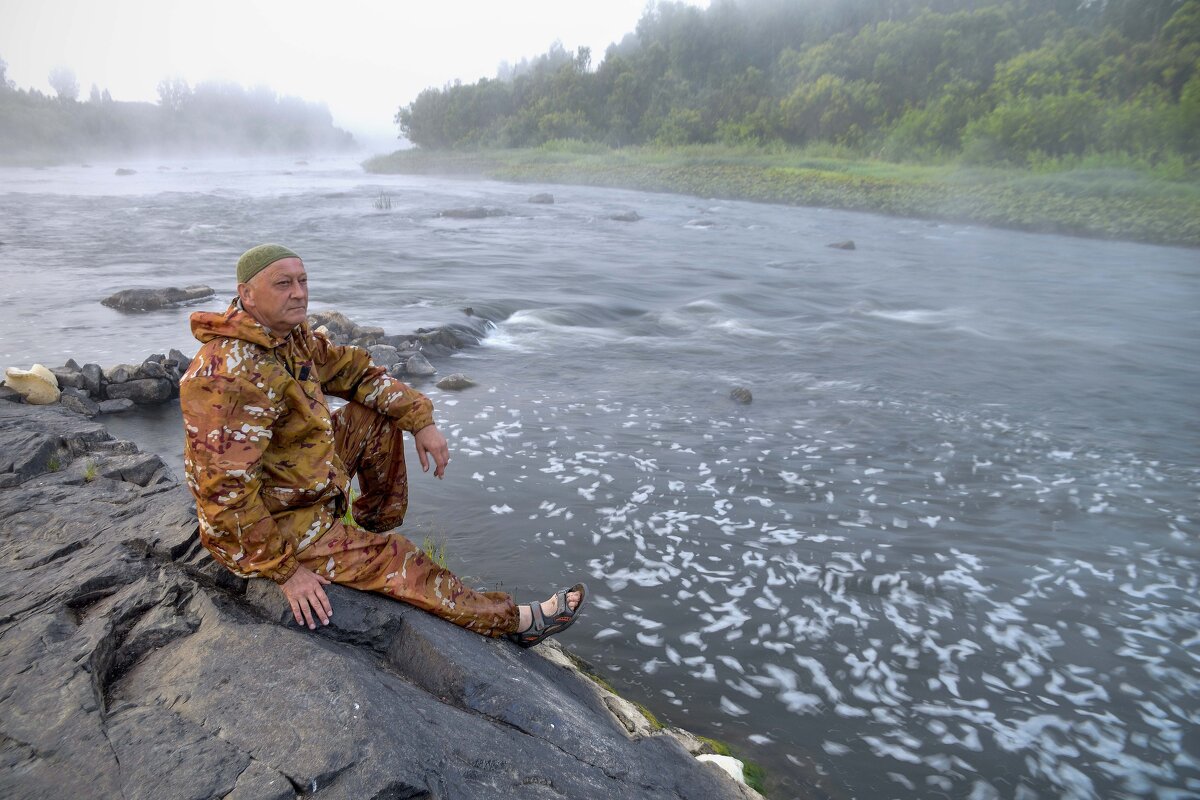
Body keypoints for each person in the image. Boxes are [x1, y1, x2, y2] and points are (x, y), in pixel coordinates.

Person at [179, 243, 584, 646]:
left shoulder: (287, 337)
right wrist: (285, 571)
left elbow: (356, 372)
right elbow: (222, 495)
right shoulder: (227, 376)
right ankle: (516, 623)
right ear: (246, 294)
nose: (299, 293)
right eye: (283, 284)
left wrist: (421, 420)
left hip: (300, 479)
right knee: (401, 560)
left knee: (375, 415)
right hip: (278, 521)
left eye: (302, 281)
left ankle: (366, 532)